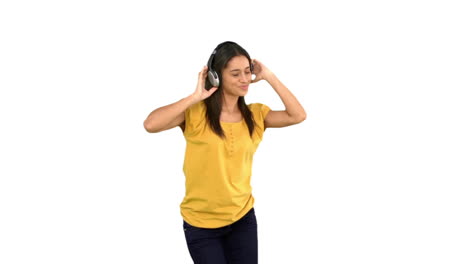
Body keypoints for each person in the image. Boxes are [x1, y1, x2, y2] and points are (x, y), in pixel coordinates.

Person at [143, 41, 306, 264]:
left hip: (242, 218)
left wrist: (268, 76)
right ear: (216, 76)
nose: (244, 79)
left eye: (247, 72)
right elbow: (151, 124)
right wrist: (194, 96)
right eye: (235, 74)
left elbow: (297, 115)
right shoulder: (195, 113)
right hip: (201, 224)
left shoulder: (256, 115)